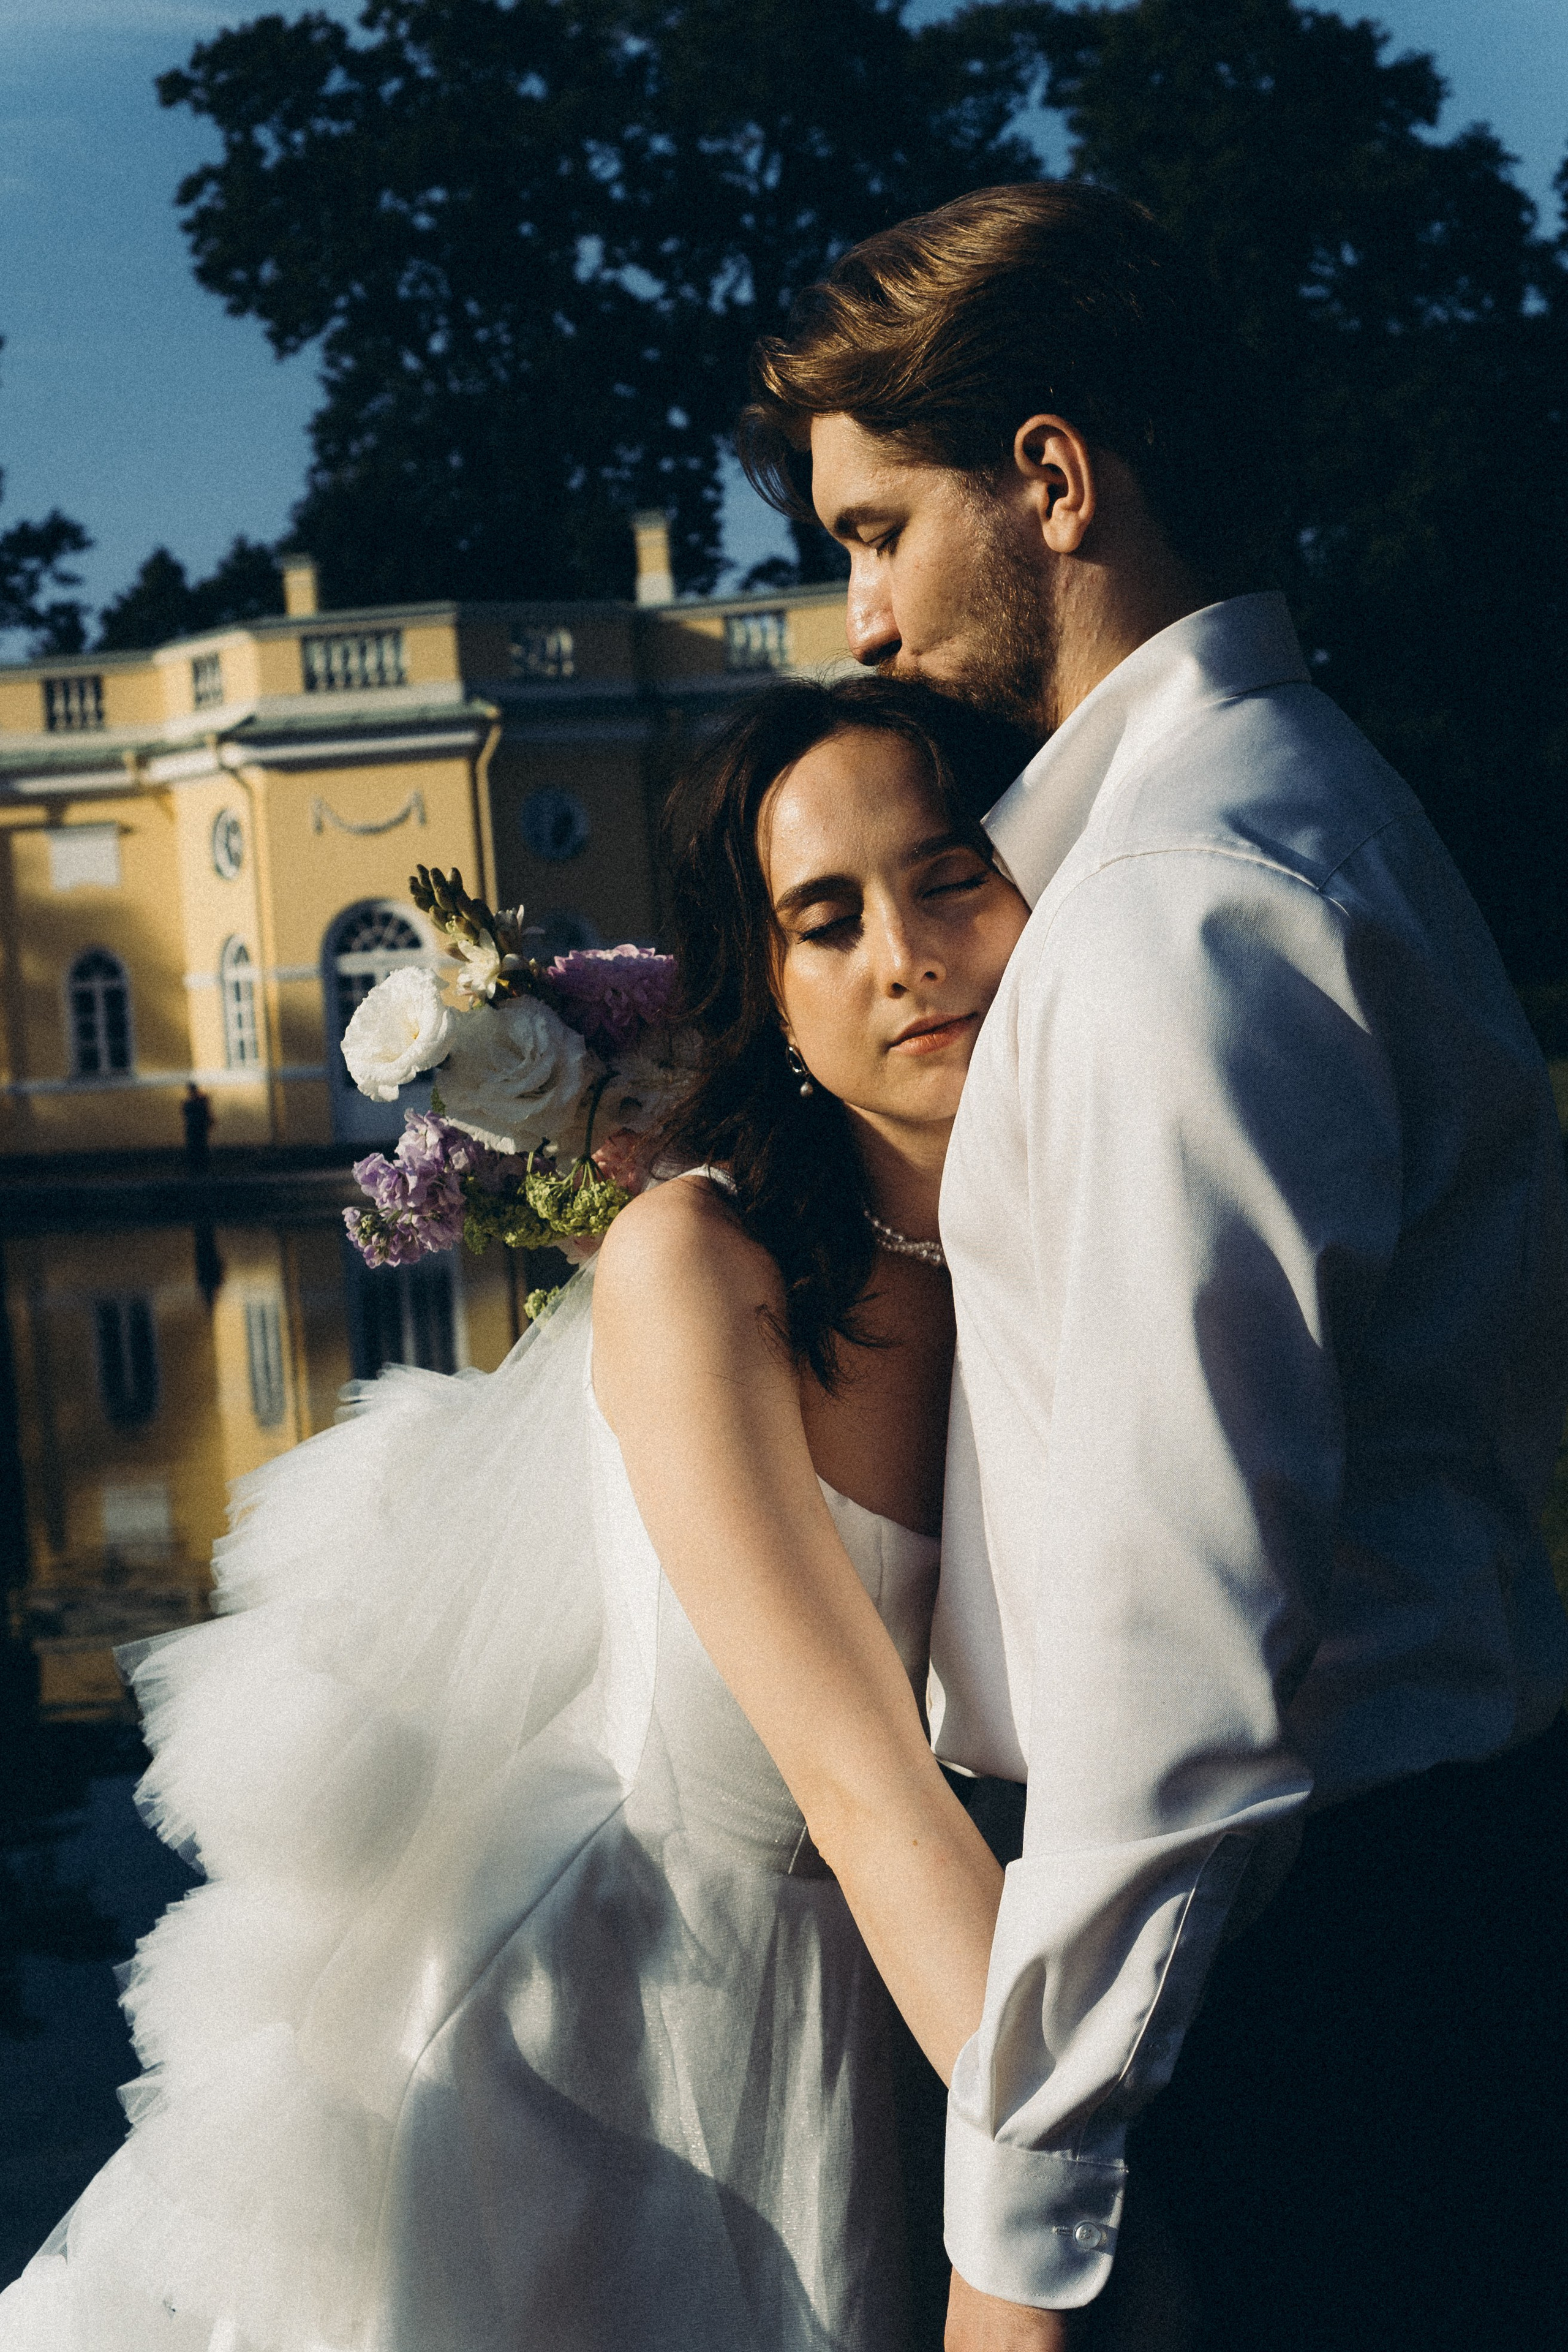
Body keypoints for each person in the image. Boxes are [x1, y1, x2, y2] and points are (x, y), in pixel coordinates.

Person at [739, 179, 1568, 2351]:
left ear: (1049, 478)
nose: (861, 623)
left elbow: (1179, 1678)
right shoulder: (1317, 810)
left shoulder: (1176, 917)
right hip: (1389, 1912)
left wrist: (1017, 2241)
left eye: (874, 532)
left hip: (1304, 1989)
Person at [0, 675, 1034, 2352]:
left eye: (950, 878)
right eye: (824, 921)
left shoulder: (1053, 1247)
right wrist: (1056, 2178)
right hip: (616, 2040)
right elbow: (859, 1785)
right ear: (766, 991)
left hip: (892, 1983)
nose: (905, 956)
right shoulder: (698, 1269)